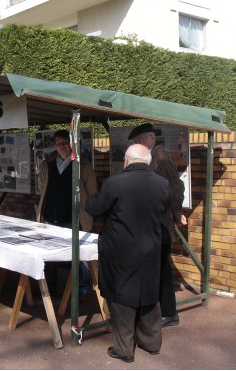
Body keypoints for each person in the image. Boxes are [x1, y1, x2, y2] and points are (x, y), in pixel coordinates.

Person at [86, 144, 171, 363]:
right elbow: (163, 210)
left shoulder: (115, 183)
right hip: (151, 247)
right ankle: (152, 342)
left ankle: (124, 349)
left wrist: (89, 197)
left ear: (126, 160)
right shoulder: (162, 184)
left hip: (121, 249)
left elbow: (94, 208)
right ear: (148, 161)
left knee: (122, 296)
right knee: (149, 293)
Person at [128, 123, 187, 328]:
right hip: (150, 223)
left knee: (161, 268)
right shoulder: (149, 156)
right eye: (135, 142)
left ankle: (169, 313)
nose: (138, 144)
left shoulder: (159, 157)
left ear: (152, 138)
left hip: (159, 223)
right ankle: (161, 311)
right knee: (157, 267)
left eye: (140, 140)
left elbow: (175, 187)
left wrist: (177, 215)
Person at [36, 129, 97, 298]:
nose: (62, 146)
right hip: (50, 215)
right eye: (58, 143)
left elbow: (92, 191)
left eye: (65, 143)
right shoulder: (47, 163)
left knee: (79, 254)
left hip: (75, 217)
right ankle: (51, 288)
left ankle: (83, 289)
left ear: (72, 144)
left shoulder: (82, 164)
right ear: (54, 145)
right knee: (50, 254)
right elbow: (42, 186)